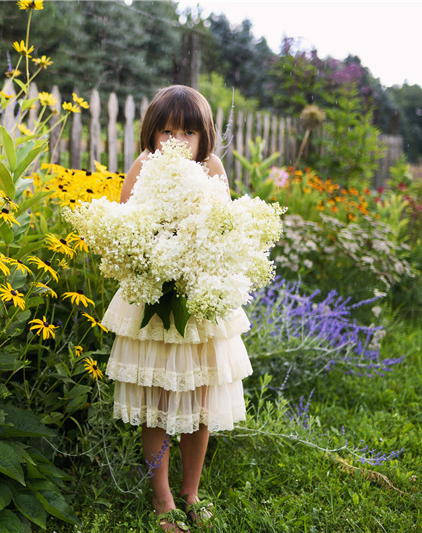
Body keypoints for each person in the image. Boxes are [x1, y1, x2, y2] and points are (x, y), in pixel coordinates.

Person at [101, 85, 253, 531]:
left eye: (187, 132)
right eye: (167, 131)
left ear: (204, 136)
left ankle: (191, 491)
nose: (176, 141)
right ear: (152, 134)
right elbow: (125, 221)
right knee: (157, 403)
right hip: (154, 297)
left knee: (199, 403)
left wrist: (198, 246)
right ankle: (162, 497)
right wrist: (152, 249)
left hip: (201, 300)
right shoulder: (144, 165)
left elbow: (224, 229)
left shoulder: (212, 167)